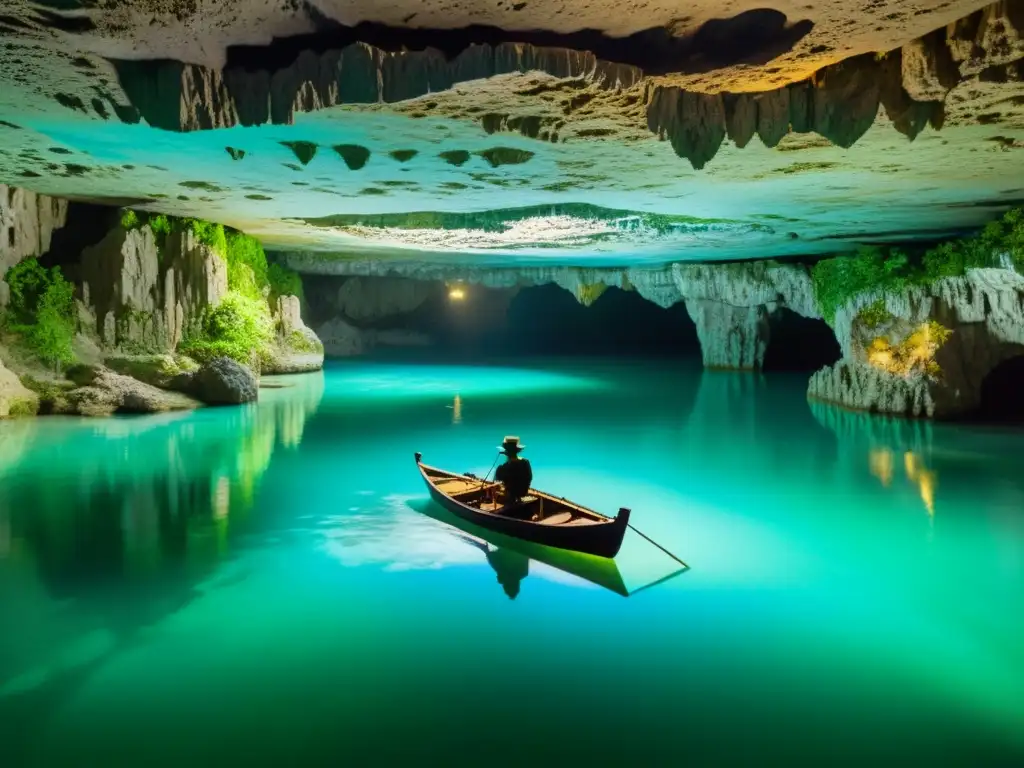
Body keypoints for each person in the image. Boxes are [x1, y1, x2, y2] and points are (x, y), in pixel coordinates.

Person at [494, 436, 533, 505]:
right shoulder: (525, 462)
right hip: (523, 493)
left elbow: (497, 480)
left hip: (510, 498)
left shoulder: (503, 468)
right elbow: (529, 477)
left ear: (506, 452)